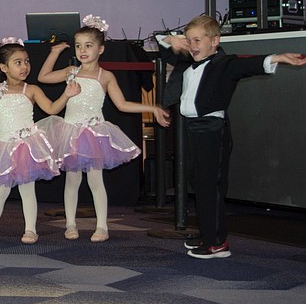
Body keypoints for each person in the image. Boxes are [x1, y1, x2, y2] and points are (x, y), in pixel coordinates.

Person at [158, 14, 306, 259]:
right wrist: (174, 40)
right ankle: (209, 234)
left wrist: (279, 57)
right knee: (199, 182)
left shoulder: (224, 64)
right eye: (189, 40)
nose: (192, 45)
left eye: (197, 40)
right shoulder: (188, 58)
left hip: (212, 130)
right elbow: (162, 44)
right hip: (192, 128)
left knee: (210, 186)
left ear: (215, 41)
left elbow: (250, 65)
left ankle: (216, 243)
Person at [38, 15, 170, 243]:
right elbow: (43, 77)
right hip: (69, 131)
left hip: (92, 132)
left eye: (88, 46)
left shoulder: (105, 76)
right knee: (72, 180)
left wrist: (151, 107)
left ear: (100, 49)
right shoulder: (71, 71)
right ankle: (70, 224)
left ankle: (102, 226)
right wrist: (54, 52)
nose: (82, 50)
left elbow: (122, 104)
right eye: (78, 46)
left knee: (95, 181)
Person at [0, 38, 80, 243]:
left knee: (27, 189)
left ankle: (30, 230)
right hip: (4, 145)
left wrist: (67, 95)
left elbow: (52, 109)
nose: (24, 66)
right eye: (18, 62)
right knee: (0, 189)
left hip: (27, 146)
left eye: (26, 61)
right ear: (3, 67)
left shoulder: (31, 90)